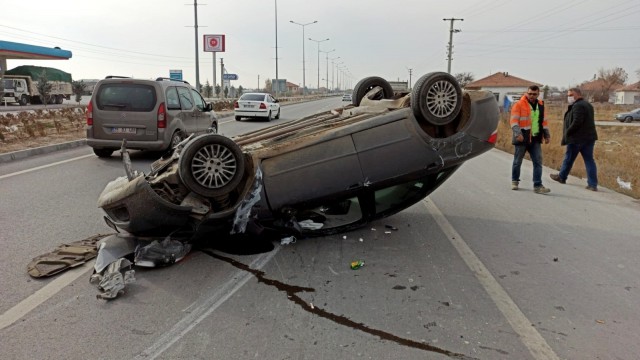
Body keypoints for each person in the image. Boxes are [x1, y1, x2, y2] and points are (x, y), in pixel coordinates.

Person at [549, 87, 599, 191]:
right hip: (589, 137)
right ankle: (592, 184)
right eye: (568, 95)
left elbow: (577, 121)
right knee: (589, 160)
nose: (569, 97)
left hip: (577, 138)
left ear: (578, 94)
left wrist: (568, 132)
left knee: (569, 158)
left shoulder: (578, 106)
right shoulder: (588, 105)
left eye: (571, 95)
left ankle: (562, 177)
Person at [510, 85, 551, 194]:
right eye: (530, 93)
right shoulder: (518, 104)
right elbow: (514, 121)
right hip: (522, 137)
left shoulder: (541, 105)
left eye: (534, 94)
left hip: (536, 138)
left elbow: (544, 122)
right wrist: (517, 133)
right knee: (517, 161)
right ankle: (515, 181)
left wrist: (547, 135)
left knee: (538, 162)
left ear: (538, 94)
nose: (532, 96)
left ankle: (538, 185)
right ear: (527, 93)